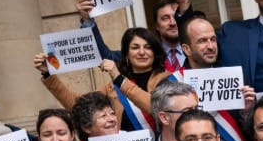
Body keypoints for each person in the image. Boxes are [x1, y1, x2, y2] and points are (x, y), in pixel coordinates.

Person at [36, 27, 170, 134]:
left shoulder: (168, 80)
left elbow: (157, 108)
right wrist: (48, 74)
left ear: (155, 52)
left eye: (147, 47)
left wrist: (119, 79)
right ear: (126, 54)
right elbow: (77, 106)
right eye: (135, 47)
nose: (142, 52)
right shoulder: (112, 88)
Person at [76, 0, 190, 68]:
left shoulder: (199, 49)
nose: (173, 22)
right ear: (156, 26)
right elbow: (105, 56)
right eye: (165, 18)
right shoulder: (144, 53)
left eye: (176, 16)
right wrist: (87, 20)